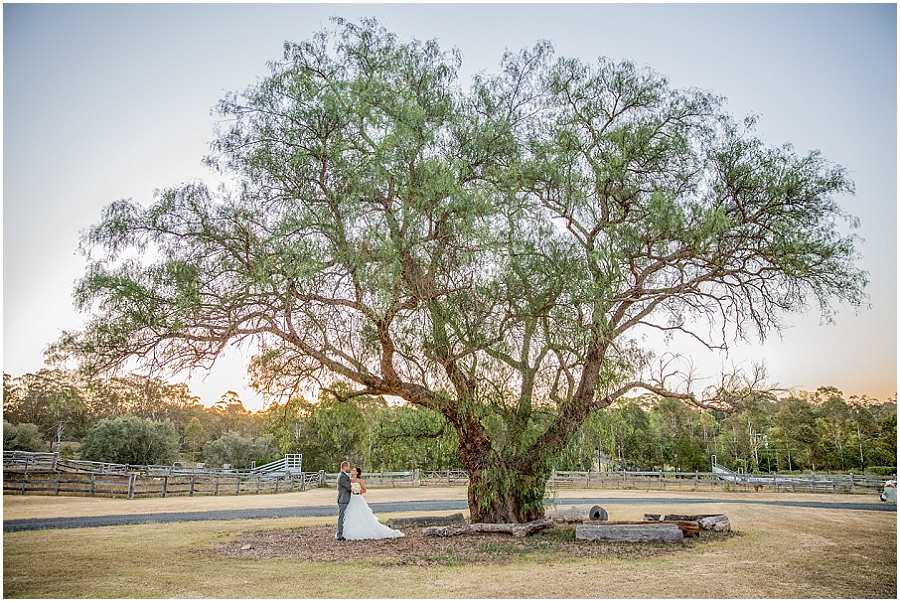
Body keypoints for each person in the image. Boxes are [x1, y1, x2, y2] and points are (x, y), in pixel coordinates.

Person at [341, 466, 404, 540]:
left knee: (361, 514)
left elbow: (364, 490)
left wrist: (358, 492)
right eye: (352, 470)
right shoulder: (349, 480)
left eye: (354, 470)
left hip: (357, 498)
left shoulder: (360, 480)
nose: (352, 471)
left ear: (357, 472)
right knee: (350, 514)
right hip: (351, 498)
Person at [335, 461, 352, 541]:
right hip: (343, 499)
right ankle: (339, 534)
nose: (349, 468)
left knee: (345, 517)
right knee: (342, 517)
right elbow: (348, 487)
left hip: (345, 498)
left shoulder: (344, 475)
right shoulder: (342, 476)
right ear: (345, 467)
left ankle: (343, 533)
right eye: (348, 466)